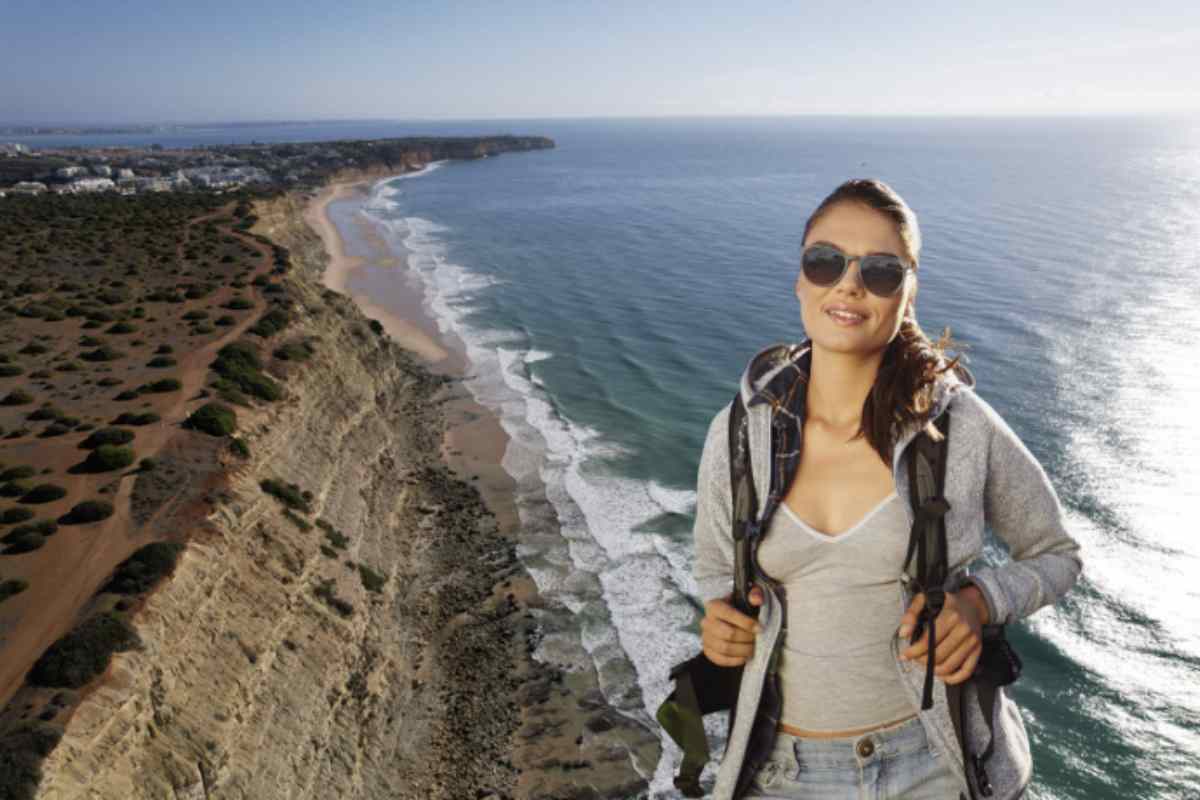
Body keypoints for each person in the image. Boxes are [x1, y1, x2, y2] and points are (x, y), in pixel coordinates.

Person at [690, 178, 1083, 800]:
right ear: (800, 280)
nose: (848, 285)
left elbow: (1057, 553)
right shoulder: (741, 432)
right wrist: (719, 624)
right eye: (825, 262)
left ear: (909, 291)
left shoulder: (959, 427)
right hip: (783, 773)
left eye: (880, 271)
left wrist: (980, 602)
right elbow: (717, 571)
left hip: (932, 766)